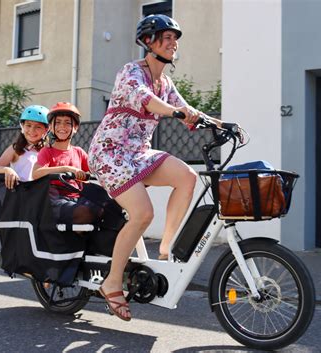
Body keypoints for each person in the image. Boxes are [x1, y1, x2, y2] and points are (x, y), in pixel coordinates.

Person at [88, 14, 224, 321]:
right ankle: (111, 282)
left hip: (139, 153)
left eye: (175, 39)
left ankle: (166, 250)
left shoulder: (166, 82)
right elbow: (147, 101)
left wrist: (220, 123)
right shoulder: (131, 72)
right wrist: (176, 113)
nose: (173, 43)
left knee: (187, 177)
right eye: (166, 37)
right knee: (142, 214)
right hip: (110, 154)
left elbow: (187, 109)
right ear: (148, 42)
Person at [32, 102, 101, 226]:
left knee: (108, 208)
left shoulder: (79, 152)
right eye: (57, 122)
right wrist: (67, 169)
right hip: (56, 200)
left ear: (75, 128)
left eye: (67, 123)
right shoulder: (47, 151)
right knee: (85, 213)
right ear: (51, 127)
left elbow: (95, 170)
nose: (62, 126)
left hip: (78, 198)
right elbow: (36, 174)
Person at [0, 105, 49, 189]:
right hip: (19, 194)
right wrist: (7, 170)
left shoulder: (48, 150)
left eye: (38, 127)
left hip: (41, 195)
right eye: (28, 125)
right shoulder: (15, 148)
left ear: (46, 130)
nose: (32, 130)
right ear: (22, 126)